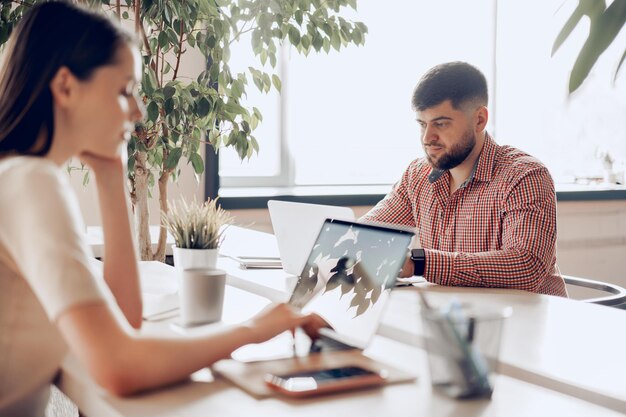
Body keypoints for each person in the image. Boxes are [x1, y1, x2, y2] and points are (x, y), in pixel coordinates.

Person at [0, 3, 322, 415]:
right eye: (123, 90)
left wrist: (111, 175)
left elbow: (123, 320)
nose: (137, 112)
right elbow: (119, 364)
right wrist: (253, 330)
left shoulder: (16, 176)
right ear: (65, 87)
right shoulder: (32, 182)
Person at [362, 62, 567, 297]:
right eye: (422, 124)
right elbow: (366, 232)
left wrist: (418, 262)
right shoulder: (417, 175)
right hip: (452, 319)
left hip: (524, 323)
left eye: (440, 123)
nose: (427, 137)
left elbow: (525, 266)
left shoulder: (524, 175)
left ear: (479, 120)